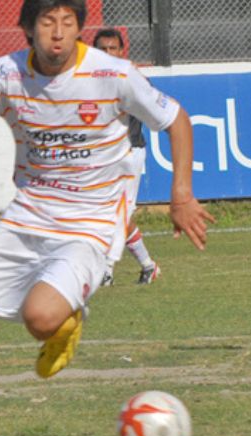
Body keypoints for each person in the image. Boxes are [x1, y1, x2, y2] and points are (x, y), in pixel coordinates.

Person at [0, 0, 215, 436]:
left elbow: (176, 119)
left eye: (68, 23)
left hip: (93, 219)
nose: (58, 33)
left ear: (79, 28)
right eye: (47, 23)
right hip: (28, 211)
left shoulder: (111, 73)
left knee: (39, 318)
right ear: (27, 28)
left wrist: (181, 195)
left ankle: (66, 324)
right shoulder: (3, 74)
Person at [94, 27, 160, 286]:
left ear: (122, 51)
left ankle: (107, 270)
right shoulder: (87, 79)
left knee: (118, 214)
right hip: (101, 155)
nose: (108, 53)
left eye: (113, 48)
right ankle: (148, 265)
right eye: (103, 49)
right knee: (108, 212)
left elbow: (154, 102)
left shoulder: (130, 77)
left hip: (130, 151)